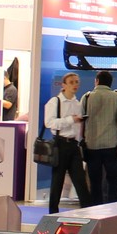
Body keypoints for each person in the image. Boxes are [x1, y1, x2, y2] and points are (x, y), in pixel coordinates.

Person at [42, 72, 91, 213]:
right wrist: (70, 120)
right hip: (60, 144)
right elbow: (49, 122)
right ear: (64, 85)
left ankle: (87, 212)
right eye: (71, 82)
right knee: (57, 180)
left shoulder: (77, 103)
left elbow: (77, 126)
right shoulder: (55, 102)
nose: (75, 85)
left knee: (80, 181)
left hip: (73, 145)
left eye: (76, 82)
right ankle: (53, 213)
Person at [81, 69, 117, 205]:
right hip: (111, 145)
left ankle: (95, 207)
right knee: (112, 178)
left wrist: (82, 139)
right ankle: (113, 207)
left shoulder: (86, 97)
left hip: (91, 145)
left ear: (96, 81)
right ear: (110, 83)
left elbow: (81, 121)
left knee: (94, 179)